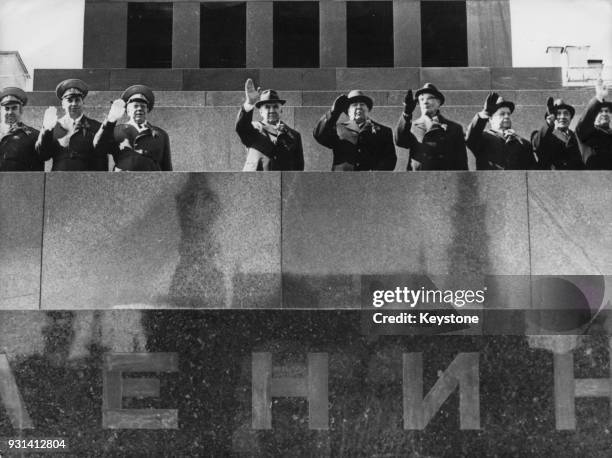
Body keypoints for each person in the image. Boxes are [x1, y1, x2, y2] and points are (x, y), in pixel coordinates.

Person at [94, 85, 172, 171]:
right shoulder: (116, 130)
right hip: (122, 180)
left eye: (143, 106)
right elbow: (99, 147)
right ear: (127, 110)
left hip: (151, 180)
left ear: (147, 110)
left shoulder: (161, 134)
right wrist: (110, 120)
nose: (139, 109)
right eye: (135, 106)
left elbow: (167, 167)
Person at [313, 90, 396, 171]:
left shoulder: (384, 131)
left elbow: (390, 159)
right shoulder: (337, 129)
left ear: (368, 109)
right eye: (354, 105)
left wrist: (374, 176)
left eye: (362, 104)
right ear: (348, 111)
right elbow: (319, 135)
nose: (359, 107)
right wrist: (333, 112)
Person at [36, 78, 108, 171]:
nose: (74, 104)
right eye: (69, 100)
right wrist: (46, 130)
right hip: (59, 180)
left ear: (83, 103)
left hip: (86, 180)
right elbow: (43, 155)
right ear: (62, 104)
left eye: (77, 100)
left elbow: (101, 159)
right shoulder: (53, 126)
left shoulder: (96, 126)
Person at [394, 83, 467, 170]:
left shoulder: (454, 128)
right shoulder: (411, 126)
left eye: (430, 98)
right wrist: (407, 113)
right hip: (417, 178)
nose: (425, 102)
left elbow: (461, 161)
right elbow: (400, 141)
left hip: (445, 178)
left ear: (439, 102)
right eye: (421, 99)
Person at [235, 79, 304, 171]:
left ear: (281, 110)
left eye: (275, 106)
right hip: (255, 182)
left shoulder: (294, 135)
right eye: (267, 107)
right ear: (260, 111)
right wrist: (250, 103)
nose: (272, 110)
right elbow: (241, 128)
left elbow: (298, 168)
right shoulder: (253, 128)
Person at [466, 92, 536, 169]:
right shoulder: (482, 138)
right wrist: (485, 113)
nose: (507, 116)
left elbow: (533, 171)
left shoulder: (523, 143)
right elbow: (471, 137)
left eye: (508, 114)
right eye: (502, 114)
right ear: (491, 118)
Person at [531, 97, 584, 170]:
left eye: (566, 114)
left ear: (570, 118)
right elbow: (537, 144)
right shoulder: (542, 135)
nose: (562, 117)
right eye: (558, 114)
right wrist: (549, 124)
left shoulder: (577, 137)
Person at [0, 87, 43, 171]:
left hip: (18, 183)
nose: (10, 112)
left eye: (14, 108)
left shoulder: (33, 135)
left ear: (21, 110)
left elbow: (37, 170)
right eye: (6, 108)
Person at [575, 80, 611, 169]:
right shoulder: (587, 134)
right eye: (600, 111)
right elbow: (583, 124)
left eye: (607, 111)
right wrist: (599, 96)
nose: (604, 114)